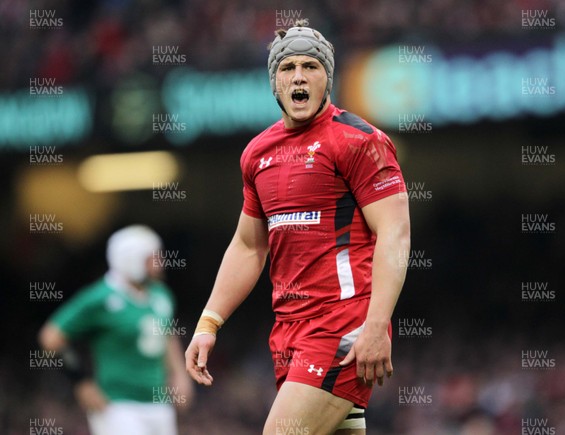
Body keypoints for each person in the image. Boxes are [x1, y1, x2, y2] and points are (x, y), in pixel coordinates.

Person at [185, 20, 410, 435]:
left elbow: (395, 234)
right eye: (288, 68)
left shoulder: (359, 141)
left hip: (342, 326)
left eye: (311, 66)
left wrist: (378, 324)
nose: (299, 76)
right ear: (275, 83)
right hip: (289, 333)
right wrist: (208, 323)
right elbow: (248, 246)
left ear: (328, 78)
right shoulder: (257, 153)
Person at [39, 225, 192, 435]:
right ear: (131, 260)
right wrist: (81, 381)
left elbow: (166, 334)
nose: (161, 263)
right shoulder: (100, 298)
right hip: (118, 404)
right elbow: (51, 338)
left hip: (158, 401)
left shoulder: (161, 295)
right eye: (152, 258)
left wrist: (179, 375)